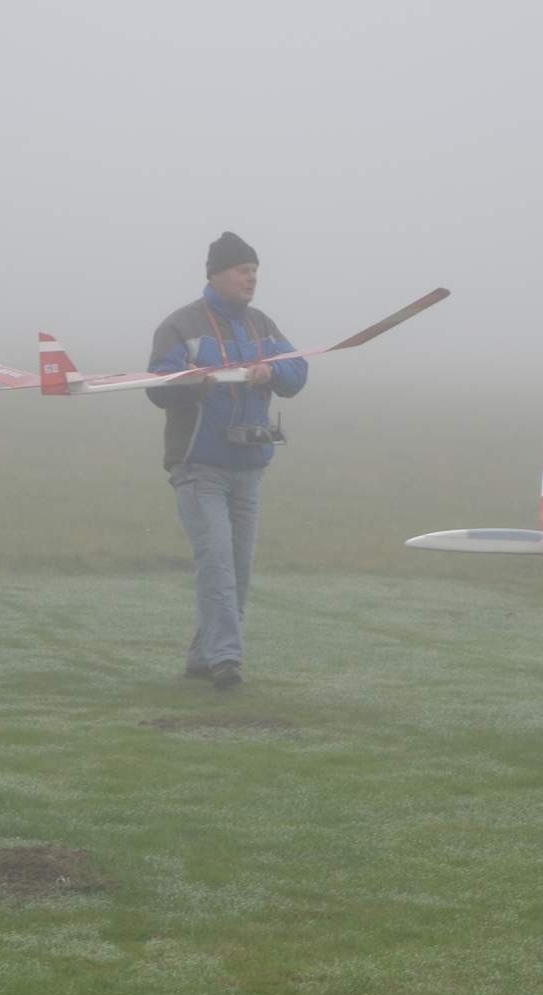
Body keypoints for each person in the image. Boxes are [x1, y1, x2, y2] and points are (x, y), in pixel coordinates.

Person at [146, 232, 308, 689]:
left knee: (237, 568)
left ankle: (204, 657)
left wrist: (272, 370)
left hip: (249, 465)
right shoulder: (181, 325)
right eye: (242, 270)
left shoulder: (262, 326)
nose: (251, 278)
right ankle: (226, 660)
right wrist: (195, 381)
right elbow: (158, 386)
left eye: (255, 271)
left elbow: (298, 372)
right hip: (198, 464)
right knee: (217, 562)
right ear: (216, 274)